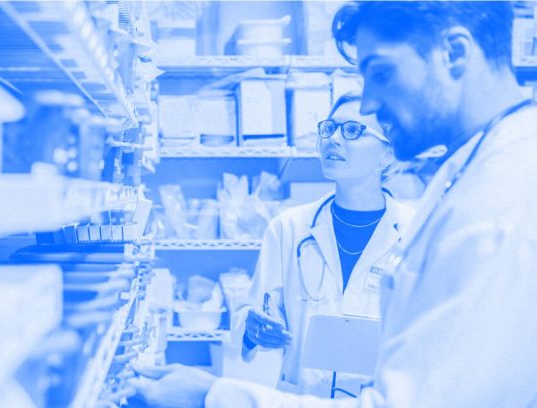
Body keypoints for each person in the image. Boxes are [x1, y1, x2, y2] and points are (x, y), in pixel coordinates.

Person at [130, 2, 537, 406]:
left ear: (454, 53)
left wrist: (212, 395)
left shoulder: (506, 196)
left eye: (381, 72)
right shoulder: (472, 169)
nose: (370, 102)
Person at [233, 93, 414, 398]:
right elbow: (253, 311)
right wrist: (252, 328)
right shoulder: (288, 228)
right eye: (329, 129)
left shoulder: (415, 232)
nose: (334, 140)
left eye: (353, 131)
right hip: (302, 397)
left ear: (387, 155)